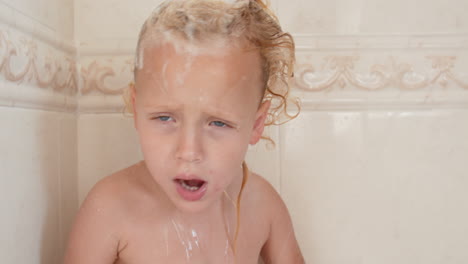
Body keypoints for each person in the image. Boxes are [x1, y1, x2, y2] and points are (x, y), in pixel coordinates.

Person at [63, 0, 304, 263]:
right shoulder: (111, 208)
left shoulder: (262, 207)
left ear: (256, 125)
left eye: (218, 123)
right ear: (136, 109)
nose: (189, 151)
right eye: (165, 117)